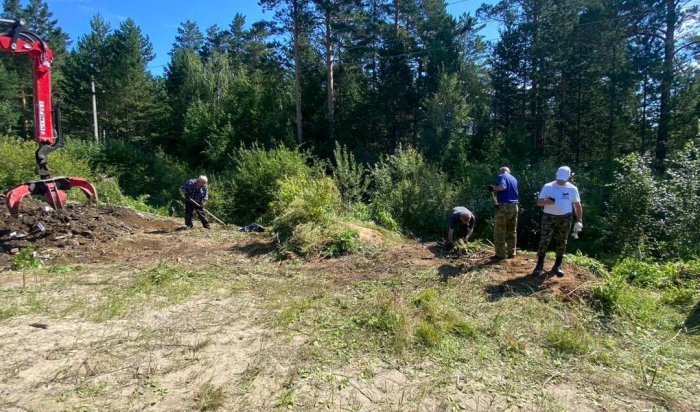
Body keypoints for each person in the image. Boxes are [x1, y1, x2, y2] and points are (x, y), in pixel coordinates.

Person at [532, 166, 583, 277]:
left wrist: (579, 220)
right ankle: (539, 265)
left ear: (568, 177)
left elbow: (577, 205)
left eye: (563, 179)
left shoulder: (572, 189)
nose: (561, 181)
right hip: (548, 217)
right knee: (544, 240)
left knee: (562, 241)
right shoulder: (548, 186)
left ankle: (558, 265)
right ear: (556, 176)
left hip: (565, 218)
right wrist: (547, 202)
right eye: (559, 178)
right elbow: (539, 203)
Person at [489, 167, 519, 259]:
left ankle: (500, 254)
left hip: (504, 206)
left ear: (501, 171)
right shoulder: (514, 179)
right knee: (511, 231)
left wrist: (494, 188)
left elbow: (503, 187)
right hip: (514, 206)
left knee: (499, 231)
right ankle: (511, 253)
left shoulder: (501, 176)